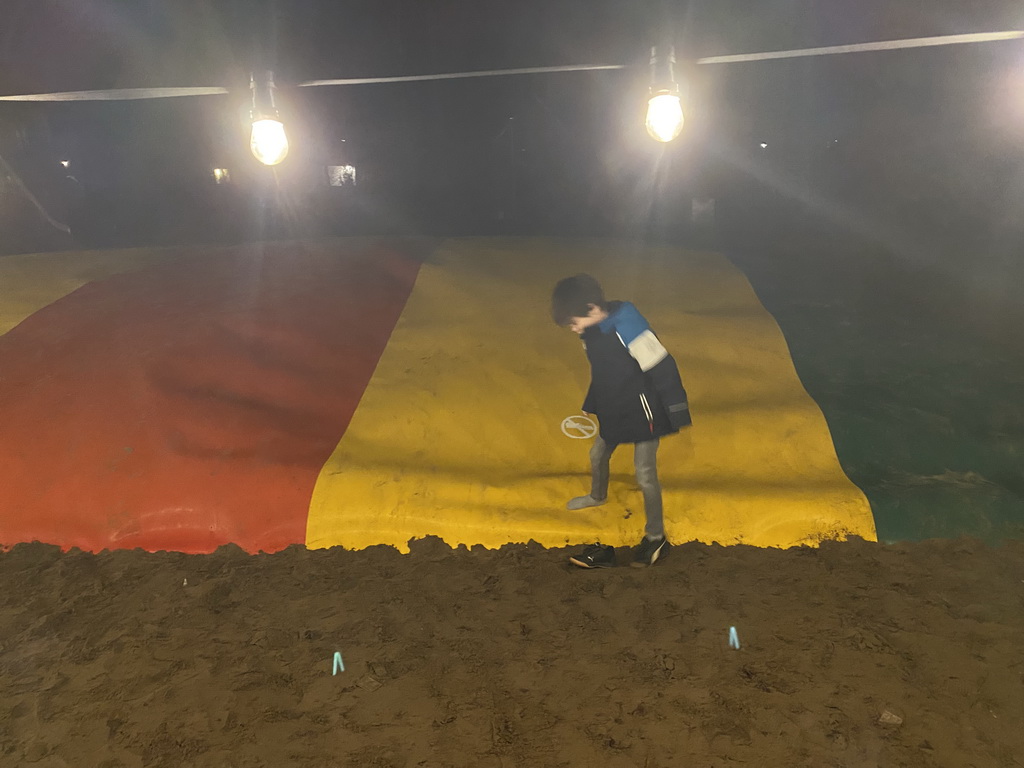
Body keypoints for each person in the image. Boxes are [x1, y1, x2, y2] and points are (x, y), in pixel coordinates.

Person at [551, 274, 691, 568]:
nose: (573, 329)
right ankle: (597, 495)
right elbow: (601, 372)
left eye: (574, 321)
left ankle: (656, 538)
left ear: (591, 308)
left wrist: (677, 409)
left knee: (645, 474)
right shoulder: (588, 334)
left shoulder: (628, 326)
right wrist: (591, 403)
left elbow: (663, 367)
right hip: (614, 407)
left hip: (644, 411)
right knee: (597, 453)